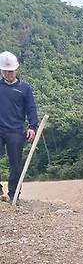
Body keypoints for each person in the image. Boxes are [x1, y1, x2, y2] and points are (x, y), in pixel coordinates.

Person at [0, 51, 38, 204]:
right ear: (1, 71)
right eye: (5, 71)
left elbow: (31, 108)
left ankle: (14, 194)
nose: (9, 74)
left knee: (15, 163)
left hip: (15, 130)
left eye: (11, 71)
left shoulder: (25, 89)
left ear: (16, 70)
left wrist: (32, 126)